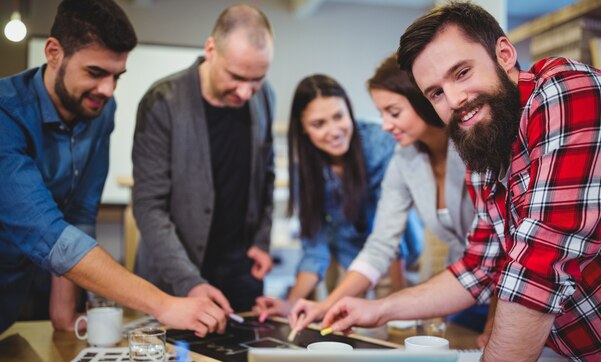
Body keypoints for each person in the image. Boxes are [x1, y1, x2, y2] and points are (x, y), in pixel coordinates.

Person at [323, 2, 601, 362]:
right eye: (436, 93)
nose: (454, 100)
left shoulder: (569, 92)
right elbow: (478, 267)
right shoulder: (483, 152)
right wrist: (378, 308)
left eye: (461, 73)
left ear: (504, 54)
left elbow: (542, 261)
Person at [0, 0, 225, 336]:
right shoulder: (6, 113)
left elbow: (79, 212)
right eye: (95, 72)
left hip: (15, 296)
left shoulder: (100, 110)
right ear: (53, 52)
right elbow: (49, 234)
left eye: (116, 76)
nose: (107, 90)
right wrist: (165, 304)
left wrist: (63, 315)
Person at [287, 55, 485, 334]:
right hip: (464, 285)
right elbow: (380, 244)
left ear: (420, 99)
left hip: (501, 288)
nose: (384, 125)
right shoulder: (404, 159)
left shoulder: (470, 144)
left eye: (393, 112)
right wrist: (325, 305)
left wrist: (496, 322)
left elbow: (504, 245)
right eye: (382, 114)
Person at [132, 4, 275, 314]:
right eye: (236, 76)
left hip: (240, 276)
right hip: (173, 281)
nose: (246, 92)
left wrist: (262, 241)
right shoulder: (163, 101)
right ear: (211, 49)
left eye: (257, 79)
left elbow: (267, 176)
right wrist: (189, 282)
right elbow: (148, 206)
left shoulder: (266, 97)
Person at [253, 74, 423, 320]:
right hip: (350, 264)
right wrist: (291, 304)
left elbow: (392, 240)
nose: (334, 131)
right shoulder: (306, 170)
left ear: (349, 110)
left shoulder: (380, 142)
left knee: (397, 330)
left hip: (397, 265)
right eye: (318, 124)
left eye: (339, 117)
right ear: (303, 127)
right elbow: (315, 250)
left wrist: (401, 302)